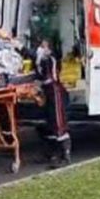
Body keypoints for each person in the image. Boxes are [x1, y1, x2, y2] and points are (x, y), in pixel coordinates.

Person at [34, 39, 71, 168]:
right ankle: (51, 153)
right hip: (46, 91)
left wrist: (20, 46)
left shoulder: (51, 59)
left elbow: (48, 70)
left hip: (55, 90)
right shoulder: (41, 59)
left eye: (44, 45)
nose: (41, 47)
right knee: (47, 122)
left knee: (58, 121)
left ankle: (65, 155)